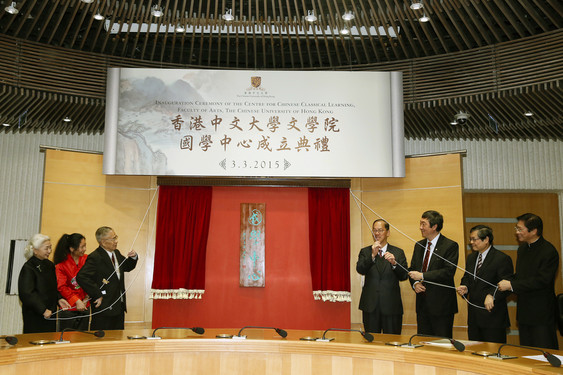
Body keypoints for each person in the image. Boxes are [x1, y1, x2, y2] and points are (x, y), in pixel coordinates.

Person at [498, 213, 559, 349]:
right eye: (516, 228)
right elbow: (520, 276)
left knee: (544, 352)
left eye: (520, 229)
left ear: (533, 231)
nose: (516, 232)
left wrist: (512, 285)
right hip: (524, 311)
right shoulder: (523, 249)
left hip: (541, 312)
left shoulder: (548, 251)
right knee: (526, 351)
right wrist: (505, 283)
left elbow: (542, 281)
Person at [456, 225, 513, 343]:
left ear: (486, 239)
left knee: (493, 354)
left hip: (493, 317)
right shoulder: (471, 258)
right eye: (470, 239)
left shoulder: (502, 258)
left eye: (474, 239)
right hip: (474, 318)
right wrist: (465, 287)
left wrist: (492, 295)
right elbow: (467, 277)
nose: (471, 242)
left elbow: (506, 285)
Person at [408, 210, 459, 338]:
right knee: (423, 343)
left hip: (442, 306)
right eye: (420, 224)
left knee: (442, 344)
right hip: (422, 306)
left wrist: (423, 276)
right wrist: (415, 284)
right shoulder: (419, 245)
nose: (420, 227)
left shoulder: (450, 245)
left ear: (434, 226)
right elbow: (412, 269)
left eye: (423, 224)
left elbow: (448, 272)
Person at [76, 227, 138, 330]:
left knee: (117, 339)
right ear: (103, 242)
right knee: (102, 340)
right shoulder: (95, 257)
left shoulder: (116, 253)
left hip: (119, 306)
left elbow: (127, 266)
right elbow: (81, 277)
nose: (116, 241)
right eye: (113, 238)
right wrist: (97, 294)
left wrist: (133, 257)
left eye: (116, 237)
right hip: (103, 307)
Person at [356, 219, 408, 334]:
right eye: (374, 230)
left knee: (393, 342)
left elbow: (404, 276)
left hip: (391, 306)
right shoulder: (365, 251)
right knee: (372, 343)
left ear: (388, 233)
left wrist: (394, 264)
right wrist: (372, 255)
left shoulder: (398, 252)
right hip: (370, 305)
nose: (377, 233)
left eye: (380, 230)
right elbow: (360, 269)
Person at [18, 234, 71, 333]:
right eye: (46, 248)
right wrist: (42, 309)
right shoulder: (29, 267)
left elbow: (52, 287)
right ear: (35, 250)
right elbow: (27, 293)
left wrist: (59, 299)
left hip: (51, 312)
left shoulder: (49, 265)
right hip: (35, 314)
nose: (49, 251)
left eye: (50, 247)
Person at [53, 233, 90, 331]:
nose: (85, 249)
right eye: (82, 247)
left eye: (85, 245)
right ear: (72, 249)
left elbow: (93, 280)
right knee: (67, 339)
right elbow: (61, 287)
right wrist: (76, 301)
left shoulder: (88, 259)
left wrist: (86, 298)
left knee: (83, 339)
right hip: (68, 308)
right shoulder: (61, 264)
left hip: (85, 305)